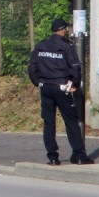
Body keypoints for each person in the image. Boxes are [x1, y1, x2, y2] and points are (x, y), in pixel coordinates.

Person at [28, 18, 92, 165]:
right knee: (71, 121)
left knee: (49, 122)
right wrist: (74, 84)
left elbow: (32, 67)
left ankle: (52, 157)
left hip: (45, 87)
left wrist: (38, 82)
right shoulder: (67, 47)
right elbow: (76, 68)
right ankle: (79, 155)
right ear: (63, 30)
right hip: (61, 87)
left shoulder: (41, 46)